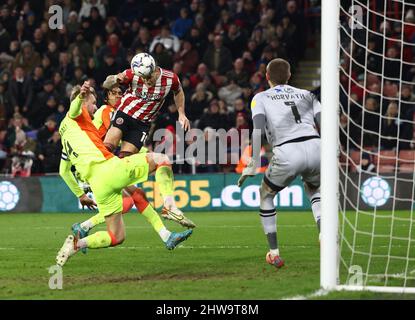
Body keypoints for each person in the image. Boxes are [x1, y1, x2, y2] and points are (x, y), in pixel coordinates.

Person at [56, 81, 193, 267]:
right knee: (162, 160)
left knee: (117, 235)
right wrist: (81, 96)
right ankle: (169, 206)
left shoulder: (65, 135)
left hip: (97, 183)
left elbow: (63, 170)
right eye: (92, 102)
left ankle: (77, 243)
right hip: (109, 168)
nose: (95, 107)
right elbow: (74, 110)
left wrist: (80, 194)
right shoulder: (88, 113)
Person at [238, 58, 321, 269]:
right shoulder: (308, 95)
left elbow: (257, 128)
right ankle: (324, 233)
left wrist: (254, 161)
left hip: (287, 150)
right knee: (315, 189)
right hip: (316, 145)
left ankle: (274, 252)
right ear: (290, 76)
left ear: (266, 77)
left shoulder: (260, 98)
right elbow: (325, 121)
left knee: (266, 194)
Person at [102, 53, 193, 227]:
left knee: (125, 161)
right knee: (107, 146)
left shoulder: (169, 79)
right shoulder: (131, 74)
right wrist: (116, 77)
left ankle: (115, 191)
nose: (146, 81)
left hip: (142, 125)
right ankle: (92, 179)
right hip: (125, 113)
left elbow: (179, 92)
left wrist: (181, 113)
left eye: (148, 77)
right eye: (142, 78)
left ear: (155, 69)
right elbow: (106, 84)